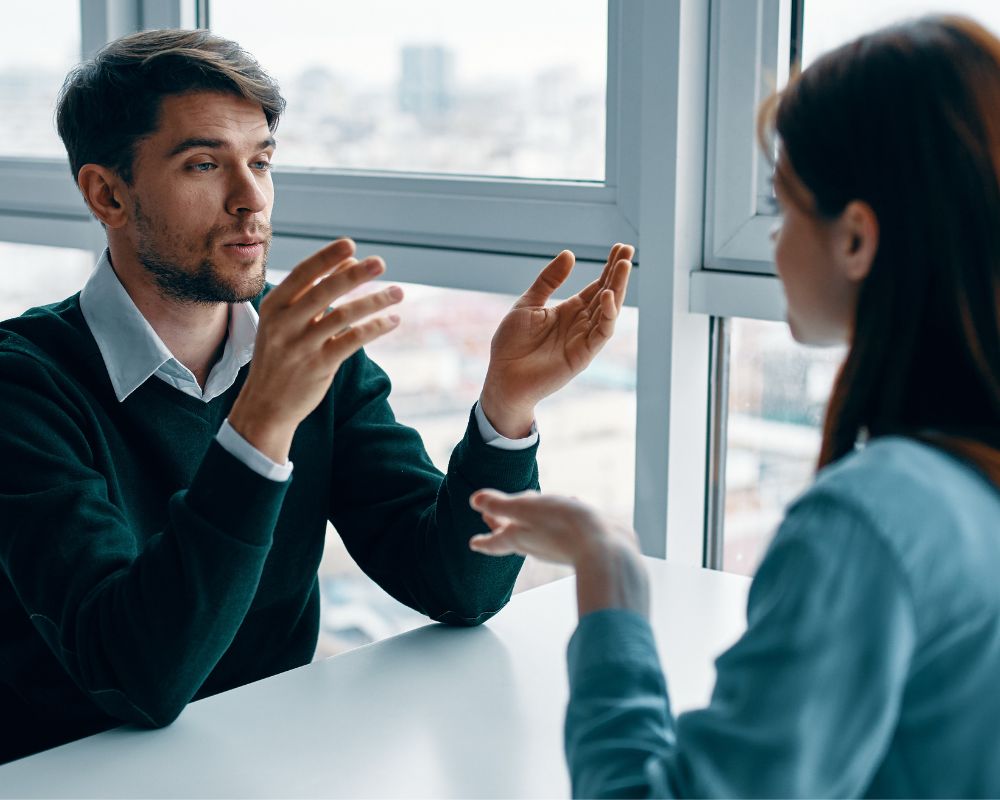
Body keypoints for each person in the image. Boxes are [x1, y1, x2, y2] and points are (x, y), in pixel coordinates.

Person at [0, 29, 633, 763]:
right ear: (107, 193)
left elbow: (458, 585)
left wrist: (506, 410)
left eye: (261, 161)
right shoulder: (23, 385)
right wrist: (262, 420)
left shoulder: (309, 347)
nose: (252, 198)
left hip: (270, 759)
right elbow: (136, 678)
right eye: (205, 163)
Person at [469, 14, 1000, 798]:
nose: (775, 245)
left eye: (785, 209)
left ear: (856, 238)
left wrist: (608, 577)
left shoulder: (871, 524)